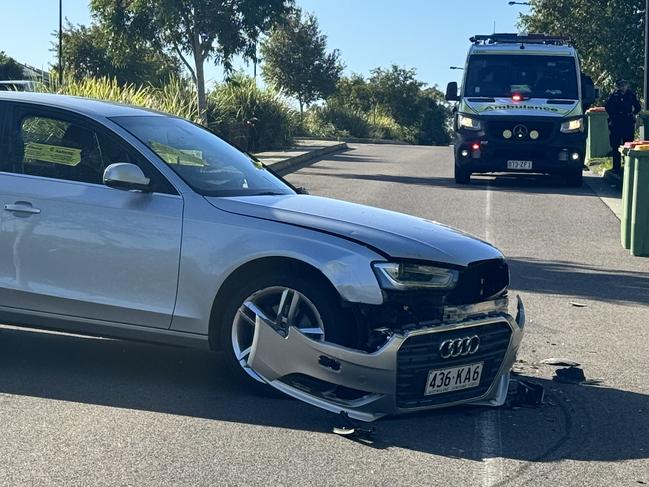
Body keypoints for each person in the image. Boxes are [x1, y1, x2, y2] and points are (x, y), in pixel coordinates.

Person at [605, 79, 641, 173]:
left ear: (627, 85)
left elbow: (638, 107)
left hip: (627, 122)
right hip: (616, 122)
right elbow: (607, 106)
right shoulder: (614, 95)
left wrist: (632, 114)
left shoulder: (631, 95)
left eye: (624, 85)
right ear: (618, 86)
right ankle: (616, 167)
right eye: (621, 85)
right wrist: (613, 115)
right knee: (615, 145)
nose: (623, 87)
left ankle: (627, 166)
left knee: (628, 144)